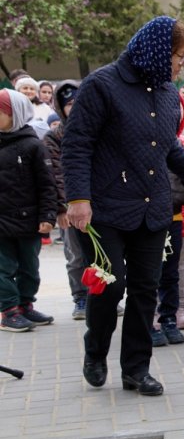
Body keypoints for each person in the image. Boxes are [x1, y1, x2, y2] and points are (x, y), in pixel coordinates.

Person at [62, 16, 184, 396]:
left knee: (146, 289)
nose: (182, 65)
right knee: (109, 284)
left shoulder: (167, 93)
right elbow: (77, 143)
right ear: (156, 51)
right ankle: (95, 350)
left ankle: (136, 369)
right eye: (179, 56)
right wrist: (78, 199)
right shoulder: (102, 85)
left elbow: (167, 148)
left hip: (153, 209)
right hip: (104, 208)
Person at [0, 89, 57, 332]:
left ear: (15, 113)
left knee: (29, 268)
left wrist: (48, 216)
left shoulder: (33, 145)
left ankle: (26, 305)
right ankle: (9, 310)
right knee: (3, 269)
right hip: (1, 222)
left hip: (29, 220)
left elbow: (47, 184)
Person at [153, 95, 184, 346]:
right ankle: (150, 319)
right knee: (147, 272)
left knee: (171, 271)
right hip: (145, 219)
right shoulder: (141, 143)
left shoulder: (180, 146)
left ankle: (169, 318)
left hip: (172, 217)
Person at [42, 80, 86, 319]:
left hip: (100, 205)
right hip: (70, 206)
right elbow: (55, 175)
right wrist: (61, 207)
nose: (74, 107)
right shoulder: (54, 137)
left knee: (101, 253)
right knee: (76, 254)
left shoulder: (98, 130)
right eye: (69, 103)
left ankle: (102, 296)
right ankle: (80, 297)